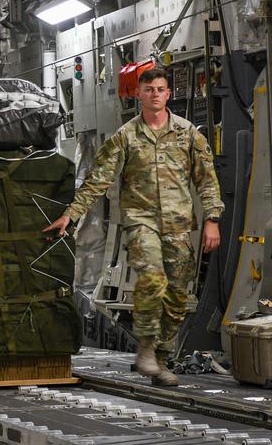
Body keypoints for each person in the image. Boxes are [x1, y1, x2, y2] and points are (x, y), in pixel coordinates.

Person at [45, 68, 224, 386]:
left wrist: (212, 220)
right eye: (148, 89)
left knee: (178, 294)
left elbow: (206, 179)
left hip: (179, 225)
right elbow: (98, 180)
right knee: (153, 281)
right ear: (138, 94)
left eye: (160, 89)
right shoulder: (125, 137)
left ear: (168, 94)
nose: (155, 94)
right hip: (141, 222)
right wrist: (71, 215)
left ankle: (161, 358)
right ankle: (145, 350)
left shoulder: (188, 134)